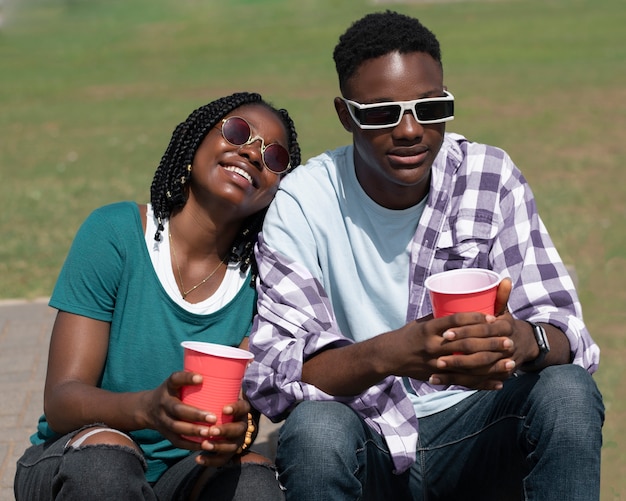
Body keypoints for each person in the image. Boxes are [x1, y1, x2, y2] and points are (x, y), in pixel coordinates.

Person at [243, 11, 604, 501]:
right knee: (317, 429)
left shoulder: (487, 176)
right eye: (380, 113)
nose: (411, 130)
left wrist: (521, 340)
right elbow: (273, 372)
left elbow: (566, 333)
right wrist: (391, 352)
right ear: (345, 114)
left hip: (477, 425)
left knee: (567, 393)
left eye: (430, 108)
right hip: (365, 432)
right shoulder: (306, 201)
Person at [14, 91, 301, 500]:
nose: (254, 155)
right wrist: (147, 410)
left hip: (185, 471)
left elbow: (240, 412)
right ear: (196, 140)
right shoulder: (115, 234)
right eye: (238, 133)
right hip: (80, 455)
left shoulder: (265, 280)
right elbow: (62, 399)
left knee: (256, 484)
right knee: (107, 470)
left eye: (274, 157)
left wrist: (238, 431)